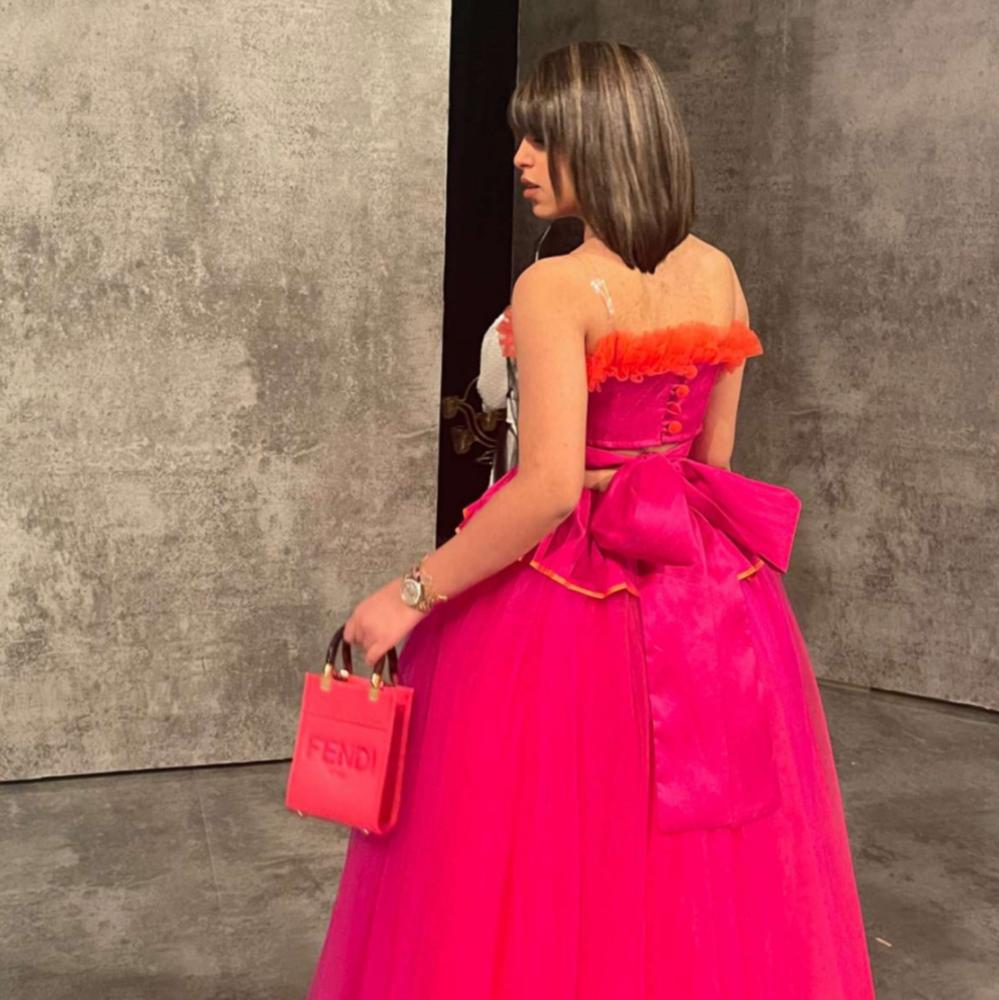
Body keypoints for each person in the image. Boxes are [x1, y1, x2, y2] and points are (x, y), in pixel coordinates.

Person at [306, 40, 876, 1000]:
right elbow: (710, 465)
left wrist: (409, 594)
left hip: (566, 605)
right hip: (704, 586)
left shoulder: (557, 286)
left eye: (541, 137)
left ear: (600, 139)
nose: (520, 158)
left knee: (538, 844)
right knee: (685, 856)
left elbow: (545, 489)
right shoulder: (718, 273)